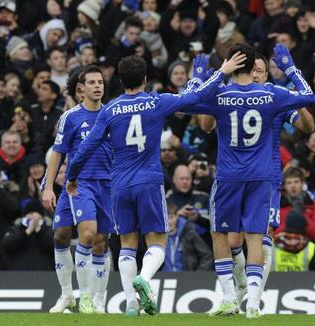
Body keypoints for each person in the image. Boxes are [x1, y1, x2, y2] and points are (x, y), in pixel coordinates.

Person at [65, 53, 244, 316]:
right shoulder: (156, 102)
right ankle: (145, 279)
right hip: (149, 180)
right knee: (157, 241)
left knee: (127, 243)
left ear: (120, 80)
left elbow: (87, 146)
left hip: (119, 184)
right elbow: (195, 97)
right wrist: (219, 72)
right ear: (146, 80)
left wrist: (72, 176)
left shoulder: (110, 110)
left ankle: (131, 304)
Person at [187, 43, 315, 318]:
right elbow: (206, 125)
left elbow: (307, 126)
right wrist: (293, 77)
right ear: (249, 69)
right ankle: (246, 293)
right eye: (254, 69)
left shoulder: (228, 93)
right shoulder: (273, 96)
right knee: (240, 239)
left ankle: (247, 300)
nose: (257, 74)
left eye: (262, 71)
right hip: (257, 176)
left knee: (251, 238)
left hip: (260, 178)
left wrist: (204, 77)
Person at [41, 66, 112, 314]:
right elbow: (58, 153)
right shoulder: (70, 117)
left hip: (107, 184)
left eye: (100, 82)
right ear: (81, 89)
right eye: (92, 82)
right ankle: (70, 295)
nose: (97, 86)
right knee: (63, 234)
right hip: (78, 184)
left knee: (100, 241)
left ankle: (98, 301)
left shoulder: (112, 114)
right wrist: (48, 187)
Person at [162, 203, 213, 272]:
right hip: (162, 279)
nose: (169, 222)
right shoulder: (158, 236)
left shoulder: (188, 232)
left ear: (177, 216)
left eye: (171, 217)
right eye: (165, 218)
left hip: (185, 279)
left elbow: (207, 255)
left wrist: (197, 275)